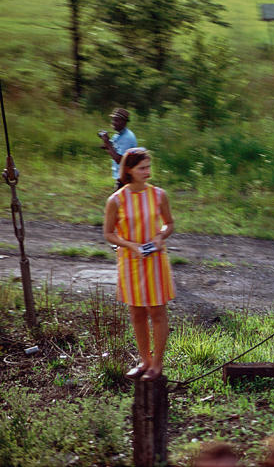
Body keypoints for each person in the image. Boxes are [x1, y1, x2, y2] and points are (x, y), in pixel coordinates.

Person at [102, 147, 175, 382]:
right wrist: (130, 245)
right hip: (130, 262)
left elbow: (169, 224)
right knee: (136, 313)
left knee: (157, 311)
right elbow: (108, 233)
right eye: (142, 168)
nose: (147, 172)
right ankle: (144, 360)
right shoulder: (116, 200)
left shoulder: (159, 195)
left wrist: (160, 236)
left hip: (155, 261)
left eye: (148, 167)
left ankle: (157, 364)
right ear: (129, 170)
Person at [98, 108, 137, 189]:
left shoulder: (127, 137)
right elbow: (111, 147)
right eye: (113, 120)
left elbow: (119, 160)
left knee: (117, 201)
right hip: (121, 177)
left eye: (116, 120)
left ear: (124, 122)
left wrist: (107, 142)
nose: (113, 123)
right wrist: (105, 140)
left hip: (126, 179)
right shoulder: (118, 134)